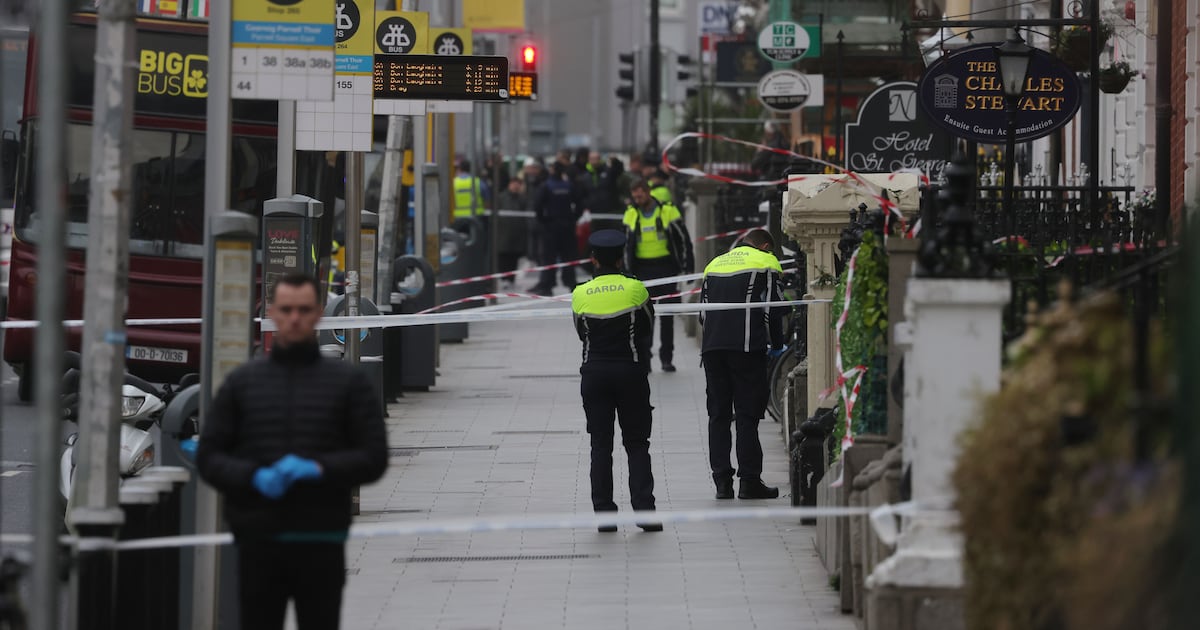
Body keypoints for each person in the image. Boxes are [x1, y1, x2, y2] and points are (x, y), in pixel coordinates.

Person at [196, 273, 389, 630]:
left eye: (304, 309)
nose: (295, 318)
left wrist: (320, 469)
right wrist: (252, 476)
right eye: (286, 310)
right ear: (272, 313)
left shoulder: (347, 383)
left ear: (318, 314)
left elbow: (374, 457)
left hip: (321, 539)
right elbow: (210, 456)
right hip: (259, 541)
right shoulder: (243, 383)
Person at [571, 229, 661, 533]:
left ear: (593, 259)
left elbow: (581, 332)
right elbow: (647, 327)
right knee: (637, 443)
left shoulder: (580, 293)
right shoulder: (636, 289)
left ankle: (605, 516)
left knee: (600, 445)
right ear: (621, 258)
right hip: (630, 371)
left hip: (594, 373)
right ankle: (645, 512)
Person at [699, 228, 787, 500]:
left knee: (718, 416)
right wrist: (777, 344)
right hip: (747, 347)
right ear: (765, 246)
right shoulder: (766, 261)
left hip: (713, 348)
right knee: (747, 416)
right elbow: (775, 308)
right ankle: (749, 481)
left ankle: (722, 483)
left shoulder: (714, 264)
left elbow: (703, 314)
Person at [622, 180, 694, 372]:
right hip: (642, 270)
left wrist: (688, 267)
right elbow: (626, 245)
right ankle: (645, 360)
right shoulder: (631, 213)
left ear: (648, 192)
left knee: (667, 315)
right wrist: (626, 273)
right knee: (645, 318)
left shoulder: (667, 210)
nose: (637, 200)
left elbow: (684, 239)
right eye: (634, 197)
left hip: (666, 268)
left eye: (640, 196)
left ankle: (666, 359)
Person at [530, 162, 580, 295]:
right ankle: (571, 283)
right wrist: (573, 219)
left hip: (550, 227)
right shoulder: (569, 186)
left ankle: (547, 285)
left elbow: (537, 206)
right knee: (568, 257)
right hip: (567, 226)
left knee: (548, 258)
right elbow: (579, 204)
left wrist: (543, 221)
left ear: (552, 170)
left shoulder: (546, 186)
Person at [496, 178, 529, 282]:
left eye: (518, 184)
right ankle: (504, 278)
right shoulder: (501, 197)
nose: (516, 186)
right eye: (514, 184)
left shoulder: (522, 199)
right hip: (503, 232)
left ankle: (511, 279)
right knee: (503, 257)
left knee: (514, 257)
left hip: (517, 233)